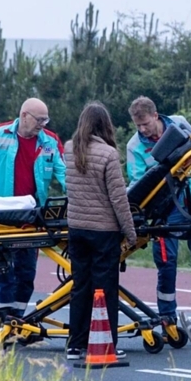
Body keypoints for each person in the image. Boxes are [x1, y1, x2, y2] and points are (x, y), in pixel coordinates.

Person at [0, 97, 66, 321]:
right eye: (39, 120)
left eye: (46, 121)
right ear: (24, 115)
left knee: (26, 272)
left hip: (30, 217)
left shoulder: (50, 142)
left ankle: (17, 318)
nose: (42, 125)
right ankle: (3, 317)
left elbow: (65, 175)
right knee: (2, 270)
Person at [127, 97, 191, 331]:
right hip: (165, 207)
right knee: (166, 263)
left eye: (146, 124)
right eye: (138, 126)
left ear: (156, 116)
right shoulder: (134, 147)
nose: (143, 130)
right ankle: (167, 315)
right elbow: (137, 183)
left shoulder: (178, 124)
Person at [64, 102, 138, 361]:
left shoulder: (69, 149)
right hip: (104, 231)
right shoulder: (108, 154)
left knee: (80, 285)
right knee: (105, 287)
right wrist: (130, 232)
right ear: (105, 124)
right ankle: (107, 343)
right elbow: (119, 199)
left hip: (76, 228)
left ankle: (76, 343)